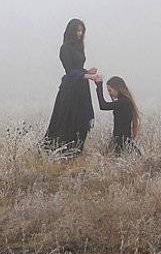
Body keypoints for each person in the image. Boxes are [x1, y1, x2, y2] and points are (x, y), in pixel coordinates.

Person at [43, 18, 96, 156]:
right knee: (67, 120)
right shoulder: (65, 48)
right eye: (78, 30)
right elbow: (69, 71)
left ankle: (76, 151)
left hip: (81, 87)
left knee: (82, 119)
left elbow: (77, 68)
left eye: (82, 31)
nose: (80, 34)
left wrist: (87, 71)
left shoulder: (79, 47)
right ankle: (60, 152)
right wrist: (86, 75)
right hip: (70, 88)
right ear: (71, 31)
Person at [93, 74, 141, 155]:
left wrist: (99, 85)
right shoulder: (125, 101)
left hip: (121, 141)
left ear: (117, 89)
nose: (109, 93)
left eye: (110, 90)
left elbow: (103, 106)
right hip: (122, 140)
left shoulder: (123, 102)